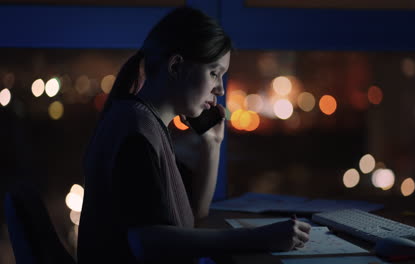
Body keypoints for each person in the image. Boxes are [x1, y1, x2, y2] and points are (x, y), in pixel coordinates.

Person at [77, 6, 311, 264]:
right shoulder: (137, 133)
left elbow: (194, 215)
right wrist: (257, 238)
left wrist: (212, 144)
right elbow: (147, 241)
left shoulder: (145, 123)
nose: (220, 89)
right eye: (214, 73)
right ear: (176, 66)